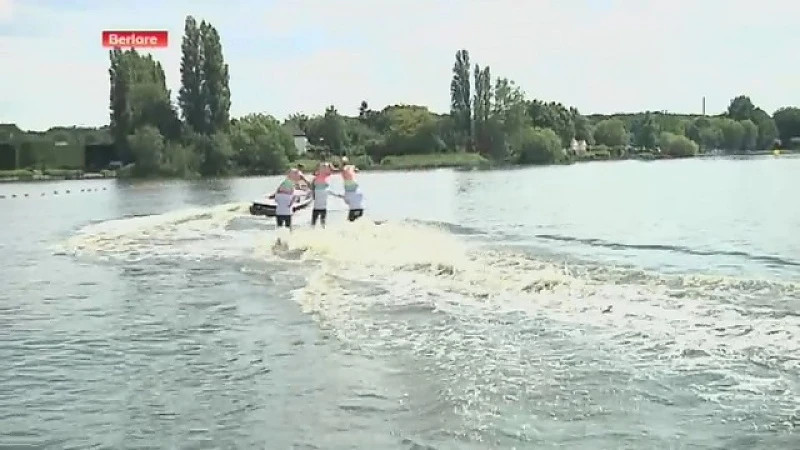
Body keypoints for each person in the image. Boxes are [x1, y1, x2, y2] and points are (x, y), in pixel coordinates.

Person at [310, 162, 334, 227]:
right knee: (321, 209)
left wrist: (313, 193)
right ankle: (322, 226)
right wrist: (329, 165)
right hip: (322, 191)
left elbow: (312, 185)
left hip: (319, 191)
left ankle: (314, 226)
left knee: (317, 209)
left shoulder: (318, 175)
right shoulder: (324, 175)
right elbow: (332, 170)